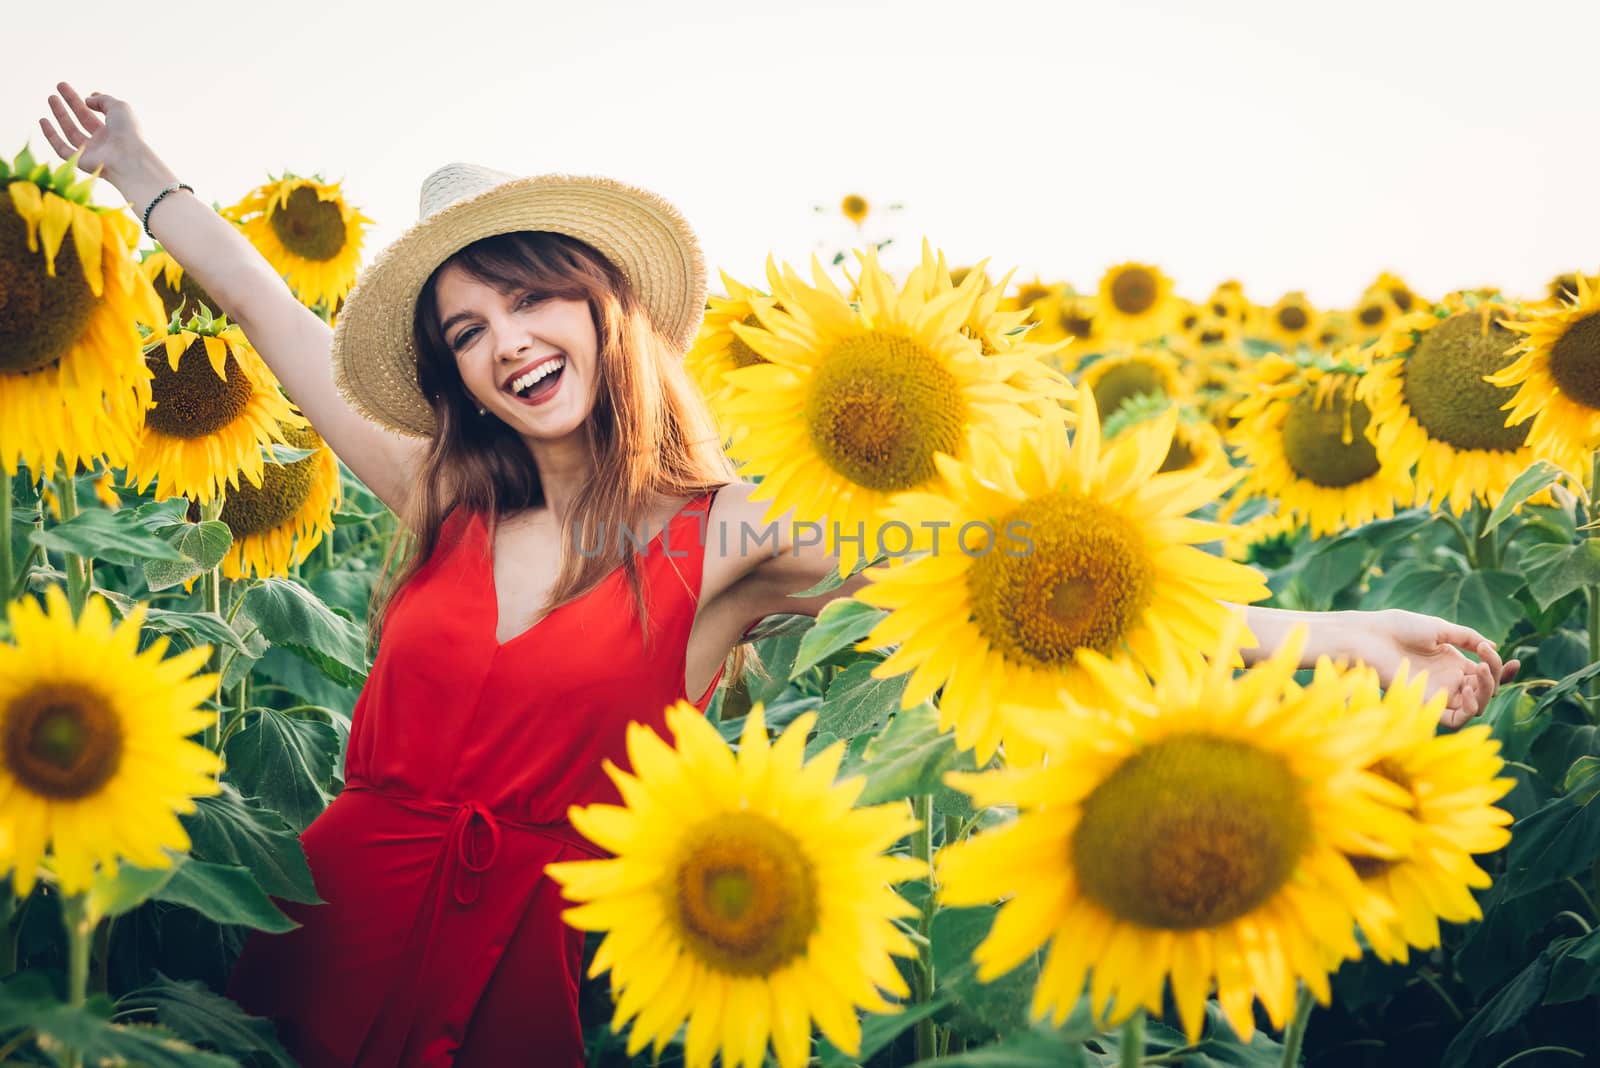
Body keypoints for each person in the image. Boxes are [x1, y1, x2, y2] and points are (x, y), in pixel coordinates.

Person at [39, 82, 1516, 1068]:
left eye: (535, 294)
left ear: (609, 309)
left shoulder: (734, 537)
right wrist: (142, 174)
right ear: (451, 374)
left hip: (540, 965)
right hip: (335, 914)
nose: (509, 343)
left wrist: (1325, 628)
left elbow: (1022, 586)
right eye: (468, 330)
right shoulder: (434, 492)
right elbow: (266, 311)